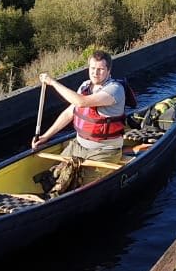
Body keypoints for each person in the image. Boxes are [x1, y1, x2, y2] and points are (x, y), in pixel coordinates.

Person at [32, 51, 127, 188]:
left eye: (100, 69)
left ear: (108, 70)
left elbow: (81, 102)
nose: (95, 73)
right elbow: (69, 113)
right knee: (54, 177)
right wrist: (46, 137)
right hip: (78, 146)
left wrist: (52, 82)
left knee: (80, 186)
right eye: (92, 68)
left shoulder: (115, 89)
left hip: (104, 151)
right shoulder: (85, 86)